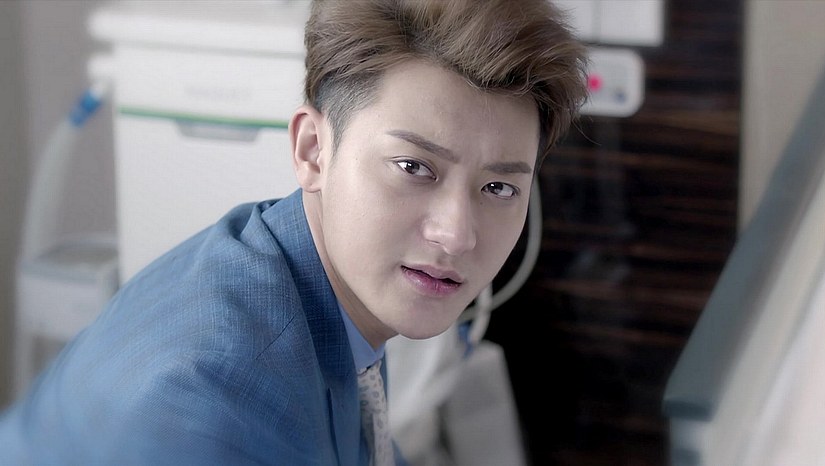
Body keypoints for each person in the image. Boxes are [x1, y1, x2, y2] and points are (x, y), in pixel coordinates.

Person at [0, 0, 587, 464]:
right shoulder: (217, 403)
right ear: (312, 150)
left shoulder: (316, 283)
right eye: (413, 167)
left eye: (498, 188)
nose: (456, 235)